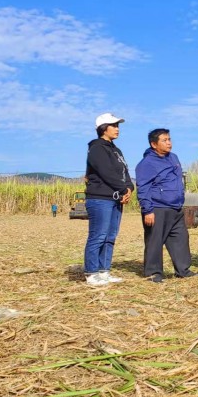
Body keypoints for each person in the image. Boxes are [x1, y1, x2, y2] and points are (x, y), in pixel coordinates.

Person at [135, 129, 198, 283]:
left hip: (175, 207)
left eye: (169, 139)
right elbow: (143, 188)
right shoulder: (147, 163)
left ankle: (182, 270)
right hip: (157, 208)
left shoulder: (173, 158)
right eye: (164, 140)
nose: (169, 142)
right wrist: (147, 210)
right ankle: (153, 272)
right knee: (154, 240)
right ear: (154, 144)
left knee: (180, 238)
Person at [84, 112, 134, 286]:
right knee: (98, 236)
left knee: (110, 236)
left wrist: (129, 188)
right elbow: (106, 172)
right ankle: (91, 273)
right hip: (100, 199)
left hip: (116, 199)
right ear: (103, 128)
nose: (117, 129)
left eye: (118, 125)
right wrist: (122, 188)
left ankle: (104, 271)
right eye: (113, 125)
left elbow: (124, 172)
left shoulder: (116, 150)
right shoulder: (97, 148)